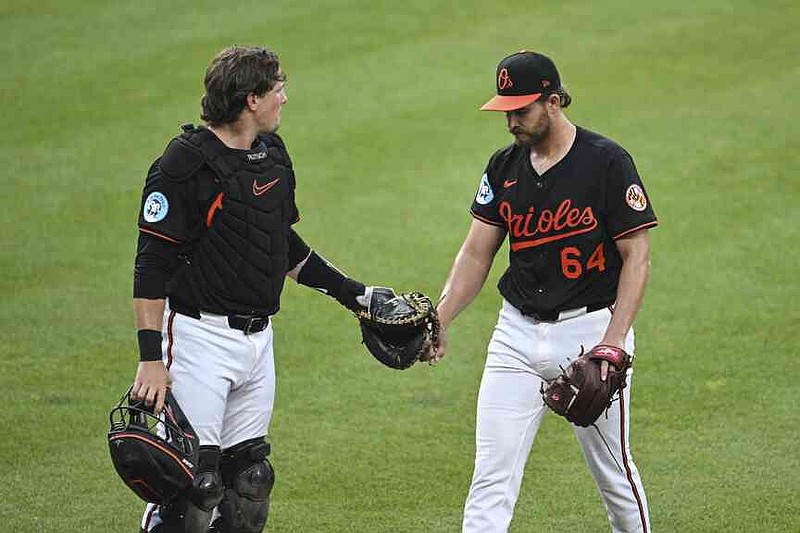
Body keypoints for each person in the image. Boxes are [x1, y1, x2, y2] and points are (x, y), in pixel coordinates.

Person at [131, 45, 373, 533]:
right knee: (192, 493)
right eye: (277, 88)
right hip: (200, 342)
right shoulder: (184, 167)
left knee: (249, 485)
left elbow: (277, 244)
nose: (285, 98)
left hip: (258, 344)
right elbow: (150, 267)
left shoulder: (271, 157)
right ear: (251, 100)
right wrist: (150, 359)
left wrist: (355, 294)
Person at [432, 51, 657, 532]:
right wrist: (441, 317)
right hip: (514, 336)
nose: (511, 121)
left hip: (590, 333)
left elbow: (637, 256)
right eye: (505, 111)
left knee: (615, 479)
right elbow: (476, 254)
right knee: (490, 481)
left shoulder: (606, 162)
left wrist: (614, 341)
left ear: (553, 101)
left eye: (522, 110)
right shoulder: (503, 167)